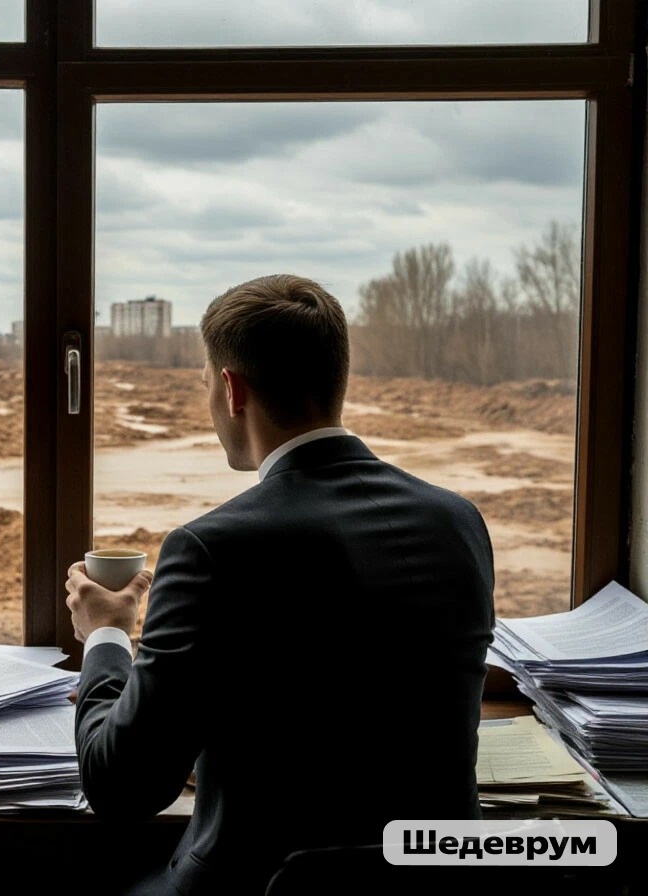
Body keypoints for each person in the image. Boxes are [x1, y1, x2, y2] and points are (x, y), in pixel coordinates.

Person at [65, 273, 495, 895]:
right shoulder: (458, 520)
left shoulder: (211, 547)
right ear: (336, 377)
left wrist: (106, 635)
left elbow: (123, 788)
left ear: (231, 389)